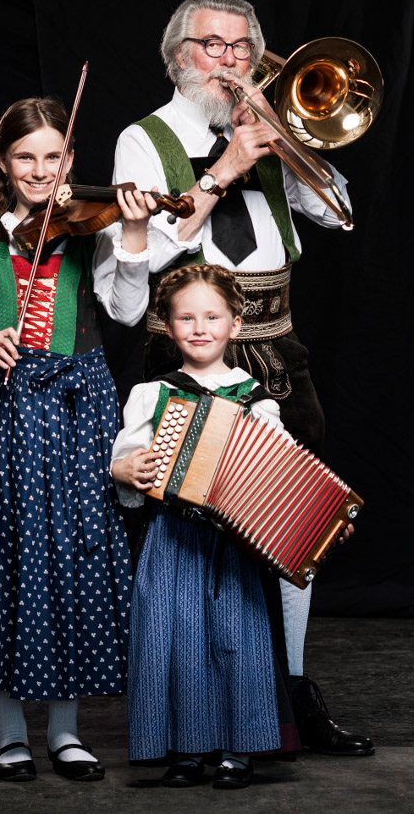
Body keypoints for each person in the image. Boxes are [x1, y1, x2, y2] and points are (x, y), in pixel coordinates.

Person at [96, 0, 373, 757]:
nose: (230, 62)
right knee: (192, 545)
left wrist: (285, 143)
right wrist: (227, 166)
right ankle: (193, 708)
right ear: (177, 56)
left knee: (294, 532)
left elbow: (337, 214)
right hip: (188, 358)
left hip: (280, 354)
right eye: (213, 47)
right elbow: (139, 263)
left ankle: (287, 694)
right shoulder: (144, 140)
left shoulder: (265, 125)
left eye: (242, 48)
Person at [0, 97, 162, 782]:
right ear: (3, 162)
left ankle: (67, 731)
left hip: (80, 416)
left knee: (72, 561)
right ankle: (9, 729)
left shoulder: (97, 233)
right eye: (25, 156)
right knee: (6, 561)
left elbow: (128, 311)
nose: (40, 169)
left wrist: (135, 235)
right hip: (1, 417)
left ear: (72, 162)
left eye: (53, 156)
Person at [111, 263, 297, 790]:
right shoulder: (153, 394)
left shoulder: (258, 401)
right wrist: (125, 469)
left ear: (235, 324)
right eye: (186, 317)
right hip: (171, 540)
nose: (199, 327)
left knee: (239, 641)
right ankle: (186, 750)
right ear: (169, 328)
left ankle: (240, 749)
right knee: (175, 642)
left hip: (234, 547)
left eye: (212, 316)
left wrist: (318, 518)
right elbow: (127, 463)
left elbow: (285, 475)